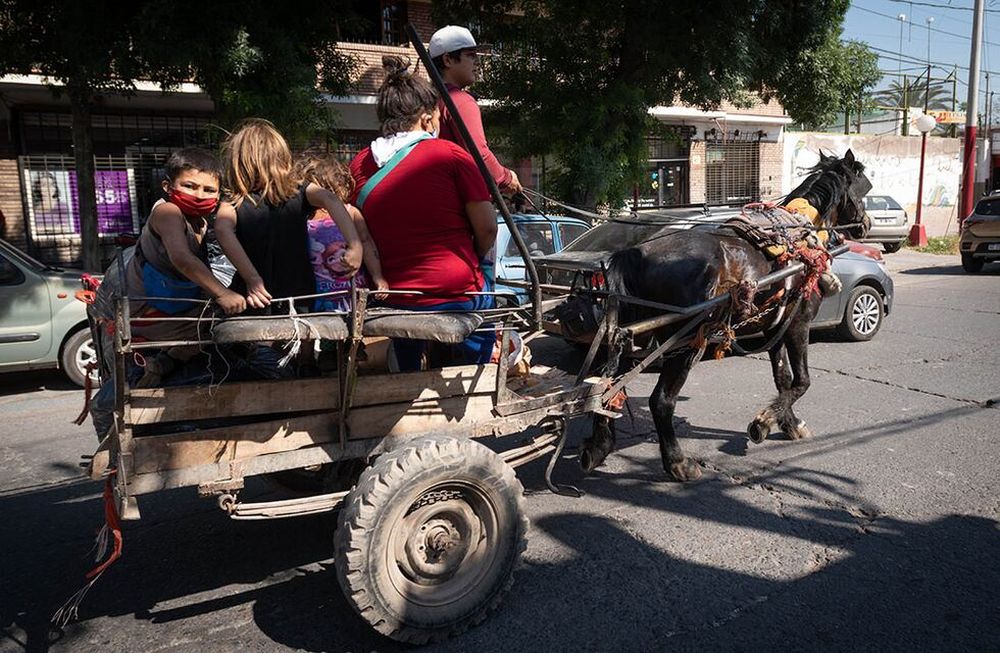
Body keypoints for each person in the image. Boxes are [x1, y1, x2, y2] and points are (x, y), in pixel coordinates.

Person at [349, 55, 497, 371]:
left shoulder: (359, 164)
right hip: (454, 292)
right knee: (489, 312)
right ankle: (480, 376)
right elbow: (487, 230)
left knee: (406, 334)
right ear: (428, 118)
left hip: (388, 295)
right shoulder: (452, 156)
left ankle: (408, 376)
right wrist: (475, 258)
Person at [124, 147, 264, 386]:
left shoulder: (199, 222)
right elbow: (181, 258)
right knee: (225, 330)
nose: (199, 195)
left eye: (209, 190)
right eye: (190, 186)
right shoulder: (168, 212)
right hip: (153, 312)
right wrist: (223, 293)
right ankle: (160, 367)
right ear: (168, 187)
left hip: (175, 306)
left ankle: (165, 363)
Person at [215, 118, 363, 314]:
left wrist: (252, 278)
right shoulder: (297, 191)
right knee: (298, 337)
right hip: (298, 291)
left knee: (262, 340)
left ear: (238, 162)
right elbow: (331, 200)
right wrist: (355, 245)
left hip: (256, 293)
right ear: (282, 157)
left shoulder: (235, 199)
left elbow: (222, 229)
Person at [429, 25, 522, 194]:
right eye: (470, 55)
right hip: (457, 202)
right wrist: (506, 178)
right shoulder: (461, 101)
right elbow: (479, 154)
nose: (477, 62)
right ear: (448, 60)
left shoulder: (422, 100)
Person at [294, 153, 388, 312]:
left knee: (352, 331)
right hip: (314, 295)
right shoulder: (301, 215)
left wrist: (377, 277)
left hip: (350, 293)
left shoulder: (350, 212)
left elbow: (366, 243)